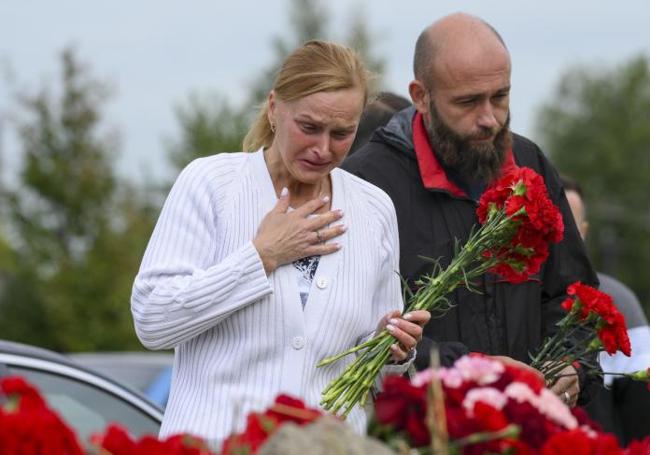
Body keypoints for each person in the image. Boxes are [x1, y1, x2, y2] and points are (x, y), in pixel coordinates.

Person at [130, 40, 430, 445]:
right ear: (274, 108)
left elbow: (371, 374)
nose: (323, 148)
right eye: (308, 127)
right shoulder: (211, 185)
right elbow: (152, 319)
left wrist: (392, 352)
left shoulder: (374, 209)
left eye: (342, 133)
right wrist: (261, 257)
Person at [342, 13, 599, 407]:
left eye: (500, 96)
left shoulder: (529, 163)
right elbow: (354, 328)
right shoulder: (367, 183)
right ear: (421, 96)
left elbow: (574, 295)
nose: (489, 119)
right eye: (467, 101)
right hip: (415, 428)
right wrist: (471, 369)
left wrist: (570, 362)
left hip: (524, 423)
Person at [562, 175, 650, 443]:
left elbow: (640, 415)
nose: (558, 235)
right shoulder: (507, 298)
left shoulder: (620, 302)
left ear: (584, 232)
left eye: (569, 227)